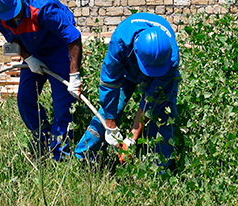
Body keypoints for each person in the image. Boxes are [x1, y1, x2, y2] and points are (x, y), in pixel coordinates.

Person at [0, 0, 83, 160]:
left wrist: (74, 76)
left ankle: (59, 157)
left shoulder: (42, 7)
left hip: (59, 50)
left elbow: (73, 37)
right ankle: (43, 139)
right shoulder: (0, 10)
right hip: (33, 52)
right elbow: (12, 38)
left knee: (62, 105)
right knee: (25, 99)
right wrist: (29, 58)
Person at [74, 12, 180, 170]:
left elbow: (151, 100)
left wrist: (131, 138)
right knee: (110, 109)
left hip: (162, 73)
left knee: (163, 115)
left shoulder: (170, 60)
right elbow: (109, 84)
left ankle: (159, 171)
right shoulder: (121, 41)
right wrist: (111, 126)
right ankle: (82, 160)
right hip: (128, 70)